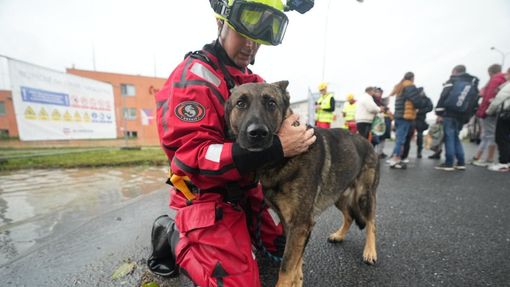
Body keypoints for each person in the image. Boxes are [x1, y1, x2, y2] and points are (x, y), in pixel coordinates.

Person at [148, 1, 316, 286]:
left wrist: (293, 130)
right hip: (205, 196)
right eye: (242, 34)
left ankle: (239, 235)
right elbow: (191, 159)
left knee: (281, 245)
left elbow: (285, 125)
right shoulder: (194, 78)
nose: (250, 46)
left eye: (257, 40)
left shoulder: (253, 81)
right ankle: (174, 236)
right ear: (220, 24)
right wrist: (278, 148)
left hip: (247, 191)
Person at [435, 65, 479, 171]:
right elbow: (474, 103)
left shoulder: (452, 81)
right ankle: (461, 162)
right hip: (463, 115)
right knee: (455, 137)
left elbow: (443, 96)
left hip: (449, 113)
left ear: (454, 71)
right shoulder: (472, 83)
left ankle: (449, 163)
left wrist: (439, 112)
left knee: (449, 137)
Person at [471, 64, 506, 167]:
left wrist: (482, 111)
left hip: (489, 111)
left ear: (490, 72)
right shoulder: (503, 80)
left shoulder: (495, 80)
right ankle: (478, 156)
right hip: (497, 111)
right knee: (488, 134)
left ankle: (489, 159)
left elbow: (488, 97)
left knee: (489, 135)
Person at [387, 72, 419, 169]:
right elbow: (416, 101)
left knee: (399, 139)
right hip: (405, 116)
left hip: (398, 116)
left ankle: (396, 158)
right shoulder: (409, 86)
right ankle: (396, 159)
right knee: (401, 140)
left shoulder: (400, 87)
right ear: (412, 78)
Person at [485, 67, 510, 172]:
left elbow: (499, 98)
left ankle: (503, 163)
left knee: (501, 138)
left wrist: (489, 111)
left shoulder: (508, 86)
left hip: (506, 114)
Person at [401, 87, 433, 160]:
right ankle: (404, 153)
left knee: (419, 136)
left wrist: (420, 111)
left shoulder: (427, 99)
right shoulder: (414, 98)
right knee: (407, 136)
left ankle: (419, 152)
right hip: (411, 118)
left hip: (421, 119)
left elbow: (430, 107)